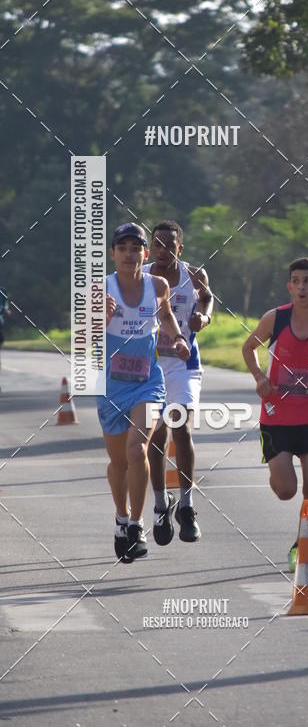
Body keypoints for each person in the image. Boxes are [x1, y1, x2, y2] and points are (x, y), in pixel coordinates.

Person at [242, 257, 308, 571]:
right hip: (276, 416)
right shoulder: (274, 319)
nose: (302, 287)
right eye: (296, 281)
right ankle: (276, 471)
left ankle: (303, 544)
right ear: (289, 286)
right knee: (285, 490)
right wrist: (259, 377)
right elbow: (248, 348)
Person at [99, 223, 190, 563]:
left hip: (148, 382)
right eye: (122, 248)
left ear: (145, 254)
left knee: (137, 450)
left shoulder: (158, 285)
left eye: (135, 248)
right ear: (113, 254)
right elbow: (82, 339)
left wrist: (177, 338)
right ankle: (121, 518)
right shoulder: (101, 289)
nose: (129, 254)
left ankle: (137, 526)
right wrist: (101, 319)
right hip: (110, 385)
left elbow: (165, 316)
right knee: (119, 463)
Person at [144, 220, 213, 545]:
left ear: (179, 248)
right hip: (149, 367)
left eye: (169, 245)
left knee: (181, 428)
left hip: (184, 364)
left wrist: (204, 316)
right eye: (157, 244)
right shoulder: (141, 276)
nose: (163, 250)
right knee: (157, 435)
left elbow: (207, 297)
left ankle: (186, 506)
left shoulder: (194, 274)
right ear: (150, 248)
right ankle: (161, 505)